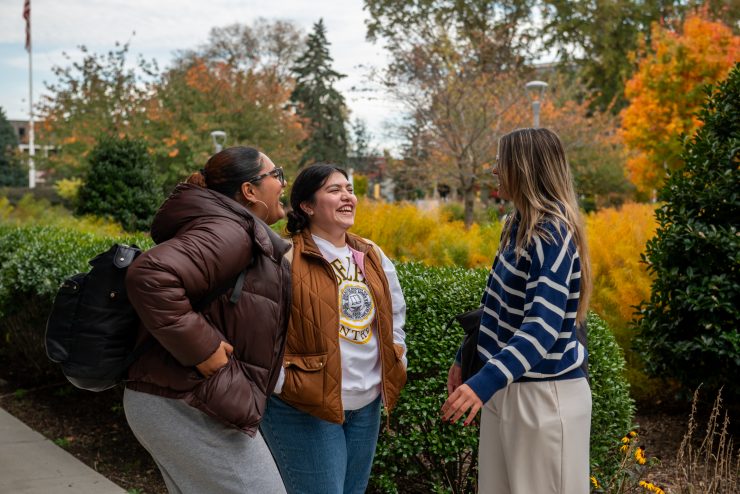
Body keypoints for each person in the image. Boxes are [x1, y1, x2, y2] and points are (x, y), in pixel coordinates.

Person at [123, 146, 291, 493]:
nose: (283, 185)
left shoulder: (231, 227)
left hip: (180, 397)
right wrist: (205, 350)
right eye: (277, 176)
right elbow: (151, 276)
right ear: (250, 190)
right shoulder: (230, 230)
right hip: (185, 400)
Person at [441, 128, 593, 494]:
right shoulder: (516, 225)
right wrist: (468, 356)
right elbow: (495, 304)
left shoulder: (553, 233)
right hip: (505, 389)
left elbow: (541, 328)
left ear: (523, 169)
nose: (494, 170)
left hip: (544, 397)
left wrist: (482, 384)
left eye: (500, 162)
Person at [260, 164, 408, 494]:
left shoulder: (372, 254)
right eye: (334, 190)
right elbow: (263, 332)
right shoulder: (286, 257)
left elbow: (395, 314)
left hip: (366, 404)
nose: (347, 197)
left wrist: (397, 357)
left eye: (350, 190)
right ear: (307, 206)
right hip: (306, 406)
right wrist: (285, 382)